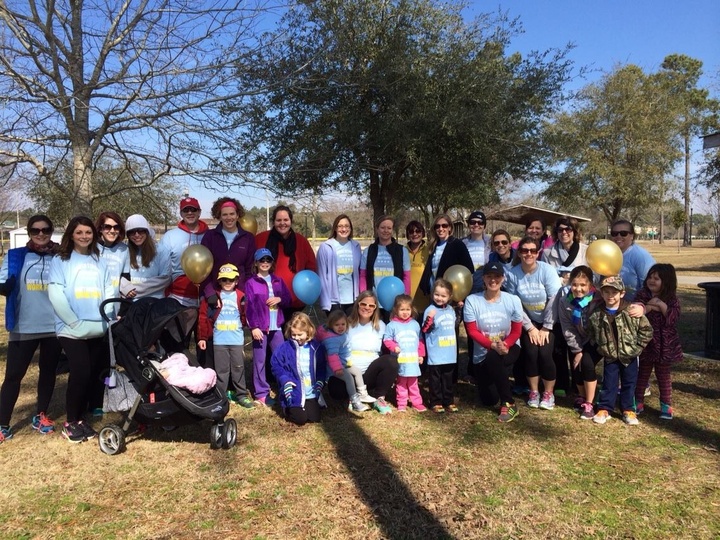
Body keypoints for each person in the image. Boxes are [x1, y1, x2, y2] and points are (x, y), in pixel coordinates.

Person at [48, 216, 114, 443]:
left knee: (92, 374)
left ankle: (81, 419)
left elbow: (109, 289)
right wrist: (73, 322)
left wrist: (109, 316)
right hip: (71, 328)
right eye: (79, 232)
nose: (84, 236)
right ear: (71, 235)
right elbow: (56, 293)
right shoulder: (61, 260)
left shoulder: (100, 260)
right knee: (80, 372)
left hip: (97, 326)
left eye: (88, 232)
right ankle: (70, 422)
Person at [0, 215, 62, 442]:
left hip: (54, 325)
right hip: (24, 325)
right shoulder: (15, 256)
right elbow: (3, 280)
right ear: (29, 232)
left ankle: (41, 415)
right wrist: (4, 288)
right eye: (35, 230)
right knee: (14, 376)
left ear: (51, 230)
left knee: (48, 372)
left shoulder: (60, 256)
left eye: (45, 230)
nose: (41, 234)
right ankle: (3, 423)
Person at [585, 276, 653, 425]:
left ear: (622, 293)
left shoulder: (631, 311)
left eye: (614, 292)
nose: (610, 296)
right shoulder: (597, 314)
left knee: (629, 382)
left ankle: (628, 409)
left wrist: (637, 348)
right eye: (606, 292)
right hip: (610, 356)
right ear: (601, 294)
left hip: (630, 356)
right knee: (609, 382)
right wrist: (600, 346)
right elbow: (590, 331)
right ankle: (604, 408)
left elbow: (647, 330)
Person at [505, 236, 562, 410]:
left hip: (548, 321)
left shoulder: (547, 270)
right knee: (530, 352)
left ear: (538, 253)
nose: (528, 254)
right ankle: (534, 391)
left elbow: (554, 299)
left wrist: (546, 326)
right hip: (528, 321)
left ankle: (549, 393)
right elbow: (515, 304)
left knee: (545, 353)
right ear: (519, 252)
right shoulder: (513, 274)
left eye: (532, 250)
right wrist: (529, 327)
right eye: (524, 250)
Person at [463, 262, 524, 423]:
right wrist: (492, 345)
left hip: (509, 347)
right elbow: (472, 331)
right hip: (483, 353)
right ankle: (500, 382)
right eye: (489, 276)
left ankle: (509, 403)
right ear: (483, 278)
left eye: (497, 276)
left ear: (503, 278)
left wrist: (506, 345)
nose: (493, 280)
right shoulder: (472, 300)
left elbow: (517, 330)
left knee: (493, 358)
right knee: (488, 400)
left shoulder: (513, 300)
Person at [327, 291, 399, 415]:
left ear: (375, 308)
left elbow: (391, 345)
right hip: (350, 372)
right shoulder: (345, 324)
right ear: (357, 304)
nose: (367, 308)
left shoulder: (381, 326)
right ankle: (354, 396)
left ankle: (379, 398)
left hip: (370, 373)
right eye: (363, 304)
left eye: (371, 305)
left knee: (391, 361)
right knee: (335, 390)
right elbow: (329, 338)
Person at [542, 216, 589, 398]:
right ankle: (561, 383)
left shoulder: (586, 252)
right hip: (556, 305)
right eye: (561, 229)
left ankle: (579, 384)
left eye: (568, 229)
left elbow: (594, 277)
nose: (564, 233)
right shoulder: (547, 253)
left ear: (575, 232)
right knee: (558, 347)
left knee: (577, 345)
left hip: (579, 306)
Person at [197, 264, 254, 408]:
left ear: (236, 281)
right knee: (221, 370)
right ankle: (221, 396)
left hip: (236, 340)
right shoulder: (213, 297)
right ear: (219, 281)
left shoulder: (241, 296)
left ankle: (241, 394)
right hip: (219, 341)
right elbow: (203, 317)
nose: (227, 283)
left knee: (238, 367)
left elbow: (246, 315)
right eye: (224, 280)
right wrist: (202, 337)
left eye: (231, 280)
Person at [633, 264, 683, 420]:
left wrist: (660, 305)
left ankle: (666, 405)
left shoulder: (671, 298)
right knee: (642, 374)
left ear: (666, 281)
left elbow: (673, 318)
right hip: (646, 344)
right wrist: (647, 306)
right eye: (650, 277)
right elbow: (638, 309)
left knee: (664, 376)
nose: (652, 281)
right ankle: (638, 401)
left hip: (665, 345)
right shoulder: (642, 294)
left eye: (657, 278)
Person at [245, 248, 292, 406]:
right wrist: (254, 327)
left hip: (276, 327)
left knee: (281, 358)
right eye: (262, 260)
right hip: (260, 328)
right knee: (260, 361)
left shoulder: (278, 280)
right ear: (256, 263)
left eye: (268, 260)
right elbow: (249, 307)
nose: (265, 263)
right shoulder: (251, 283)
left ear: (272, 262)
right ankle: (261, 393)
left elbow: (287, 300)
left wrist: (279, 298)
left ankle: (285, 387)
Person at [557, 266, 604, 420]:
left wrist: (584, 350)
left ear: (590, 284)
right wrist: (577, 350)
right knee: (576, 365)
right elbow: (568, 328)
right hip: (577, 339)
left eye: (583, 285)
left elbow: (600, 326)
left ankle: (590, 403)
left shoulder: (598, 299)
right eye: (575, 284)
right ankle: (582, 396)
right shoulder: (565, 301)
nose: (578, 289)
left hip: (595, 339)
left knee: (587, 364)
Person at [255, 205, 317, 321]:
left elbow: (311, 267)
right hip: (267, 299)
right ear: (273, 222)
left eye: (286, 220)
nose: (282, 223)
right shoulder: (260, 239)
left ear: (291, 221)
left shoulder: (301, 241)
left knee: (291, 335)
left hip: (294, 300)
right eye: (278, 220)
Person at [271, 312, 328, 426]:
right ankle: (287, 407)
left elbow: (322, 366)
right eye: (293, 334)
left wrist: (320, 381)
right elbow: (275, 364)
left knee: (314, 418)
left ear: (308, 332)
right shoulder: (284, 348)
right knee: (300, 419)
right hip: (294, 389)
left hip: (310, 389)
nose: (296, 338)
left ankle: (310, 403)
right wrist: (284, 380)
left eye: (300, 334)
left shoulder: (316, 347)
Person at [316, 310, 375, 412]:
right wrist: (337, 368)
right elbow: (332, 356)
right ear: (331, 325)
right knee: (348, 378)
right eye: (337, 325)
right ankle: (355, 401)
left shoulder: (340, 334)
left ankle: (362, 393)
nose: (340, 327)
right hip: (334, 366)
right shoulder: (332, 339)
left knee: (357, 371)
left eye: (343, 324)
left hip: (344, 363)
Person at [200, 197, 256, 303]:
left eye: (232, 214)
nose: (228, 217)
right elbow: (204, 269)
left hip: (240, 295)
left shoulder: (248, 238)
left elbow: (250, 269)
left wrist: (245, 293)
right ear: (219, 216)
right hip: (215, 295)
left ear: (237, 215)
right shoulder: (210, 236)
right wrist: (210, 293)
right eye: (224, 214)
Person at [159, 196, 209, 307]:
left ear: (199, 212)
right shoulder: (170, 237)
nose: (190, 213)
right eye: (186, 210)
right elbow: (162, 269)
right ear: (181, 213)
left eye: (193, 209)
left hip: (206, 296)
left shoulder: (210, 235)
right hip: (178, 297)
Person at [383, 294, 426, 412]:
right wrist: (394, 347)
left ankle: (417, 402)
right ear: (396, 310)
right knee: (401, 382)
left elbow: (420, 340)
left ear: (412, 309)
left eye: (408, 309)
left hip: (413, 361)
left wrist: (421, 354)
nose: (405, 312)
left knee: (413, 383)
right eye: (402, 309)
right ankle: (401, 403)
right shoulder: (392, 325)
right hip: (401, 360)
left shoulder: (415, 324)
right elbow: (386, 339)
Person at [422, 279, 457, 414]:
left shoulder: (451, 310)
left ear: (449, 297)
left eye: (443, 296)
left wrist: (459, 309)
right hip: (436, 353)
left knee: (448, 378)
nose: (439, 298)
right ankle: (436, 401)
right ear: (432, 294)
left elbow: (454, 325)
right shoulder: (430, 310)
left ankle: (448, 401)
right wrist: (429, 319)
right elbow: (425, 329)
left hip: (449, 353)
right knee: (435, 380)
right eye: (437, 294)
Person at [419, 214, 474, 298]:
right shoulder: (433, 246)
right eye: (437, 226)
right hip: (435, 293)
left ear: (450, 228)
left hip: (450, 294)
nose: (441, 229)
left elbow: (469, 268)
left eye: (444, 225)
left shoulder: (457, 244)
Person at [317, 214, 361, 315]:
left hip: (352, 299)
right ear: (335, 228)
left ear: (350, 228)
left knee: (351, 329)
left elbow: (359, 272)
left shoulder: (356, 246)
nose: (343, 229)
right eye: (340, 226)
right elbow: (322, 276)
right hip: (333, 301)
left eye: (347, 226)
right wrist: (325, 302)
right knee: (336, 330)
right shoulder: (326, 247)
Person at [120, 214, 171, 301]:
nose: (136, 235)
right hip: (130, 305)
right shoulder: (124, 250)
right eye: (132, 232)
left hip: (154, 303)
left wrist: (134, 290)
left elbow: (165, 278)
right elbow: (115, 274)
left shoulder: (161, 250)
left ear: (147, 231)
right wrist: (124, 287)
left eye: (141, 230)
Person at [360, 215, 410, 296]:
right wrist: (364, 296)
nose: (386, 230)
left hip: (396, 300)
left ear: (392, 230)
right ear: (377, 229)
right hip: (373, 300)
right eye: (382, 227)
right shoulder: (368, 251)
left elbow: (406, 277)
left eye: (389, 228)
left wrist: (406, 297)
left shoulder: (402, 251)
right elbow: (363, 276)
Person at [609, 219, 655, 302]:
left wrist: (641, 306)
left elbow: (650, 286)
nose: (618, 236)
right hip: (613, 305)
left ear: (632, 236)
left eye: (623, 233)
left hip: (636, 307)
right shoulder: (608, 254)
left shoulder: (640, 256)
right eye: (614, 233)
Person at [95, 211, 129, 299]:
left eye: (116, 227)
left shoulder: (124, 250)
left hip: (114, 302)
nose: (112, 231)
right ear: (100, 229)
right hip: (93, 300)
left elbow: (125, 278)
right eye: (107, 227)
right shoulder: (91, 247)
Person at [404, 220, 430, 314]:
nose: (415, 234)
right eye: (411, 232)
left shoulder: (429, 250)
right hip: (406, 303)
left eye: (418, 231)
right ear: (407, 234)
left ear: (422, 233)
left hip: (425, 302)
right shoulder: (402, 251)